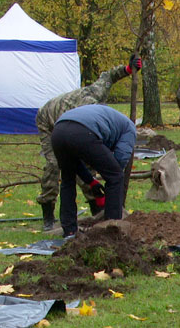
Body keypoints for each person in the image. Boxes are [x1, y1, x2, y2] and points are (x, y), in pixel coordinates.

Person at [35, 55, 141, 231]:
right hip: (49, 120)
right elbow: (114, 165)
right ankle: (48, 211)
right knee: (54, 165)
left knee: (71, 174)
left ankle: (73, 226)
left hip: (70, 129)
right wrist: (109, 173)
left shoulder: (97, 93)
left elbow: (108, 76)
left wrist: (128, 70)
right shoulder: (115, 123)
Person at [51, 104, 136, 238]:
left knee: (68, 179)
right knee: (116, 176)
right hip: (84, 132)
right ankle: (112, 230)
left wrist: (91, 182)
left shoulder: (111, 120)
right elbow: (120, 160)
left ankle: (70, 231)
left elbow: (76, 164)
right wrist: (111, 188)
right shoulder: (129, 128)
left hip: (58, 131)